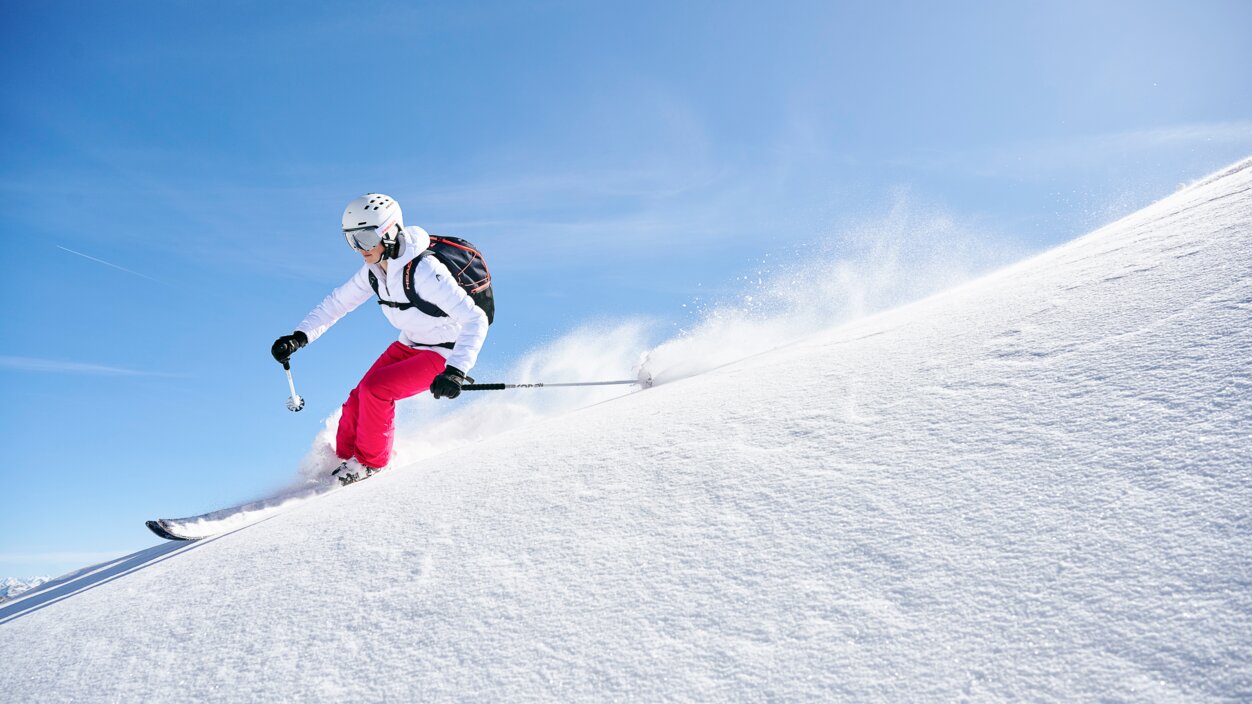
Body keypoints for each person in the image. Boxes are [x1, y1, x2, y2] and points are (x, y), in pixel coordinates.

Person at [270, 194, 490, 485]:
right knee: (357, 397)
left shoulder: (425, 271)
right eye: (351, 240)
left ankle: (371, 465)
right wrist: (299, 337)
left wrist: (456, 371)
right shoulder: (373, 272)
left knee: (377, 390)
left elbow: (476, 319)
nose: (359, 248)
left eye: (365, 237)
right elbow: (337, 304)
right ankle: (343, 460)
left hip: (446, 352)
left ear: (389, 231)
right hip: (411, 343)